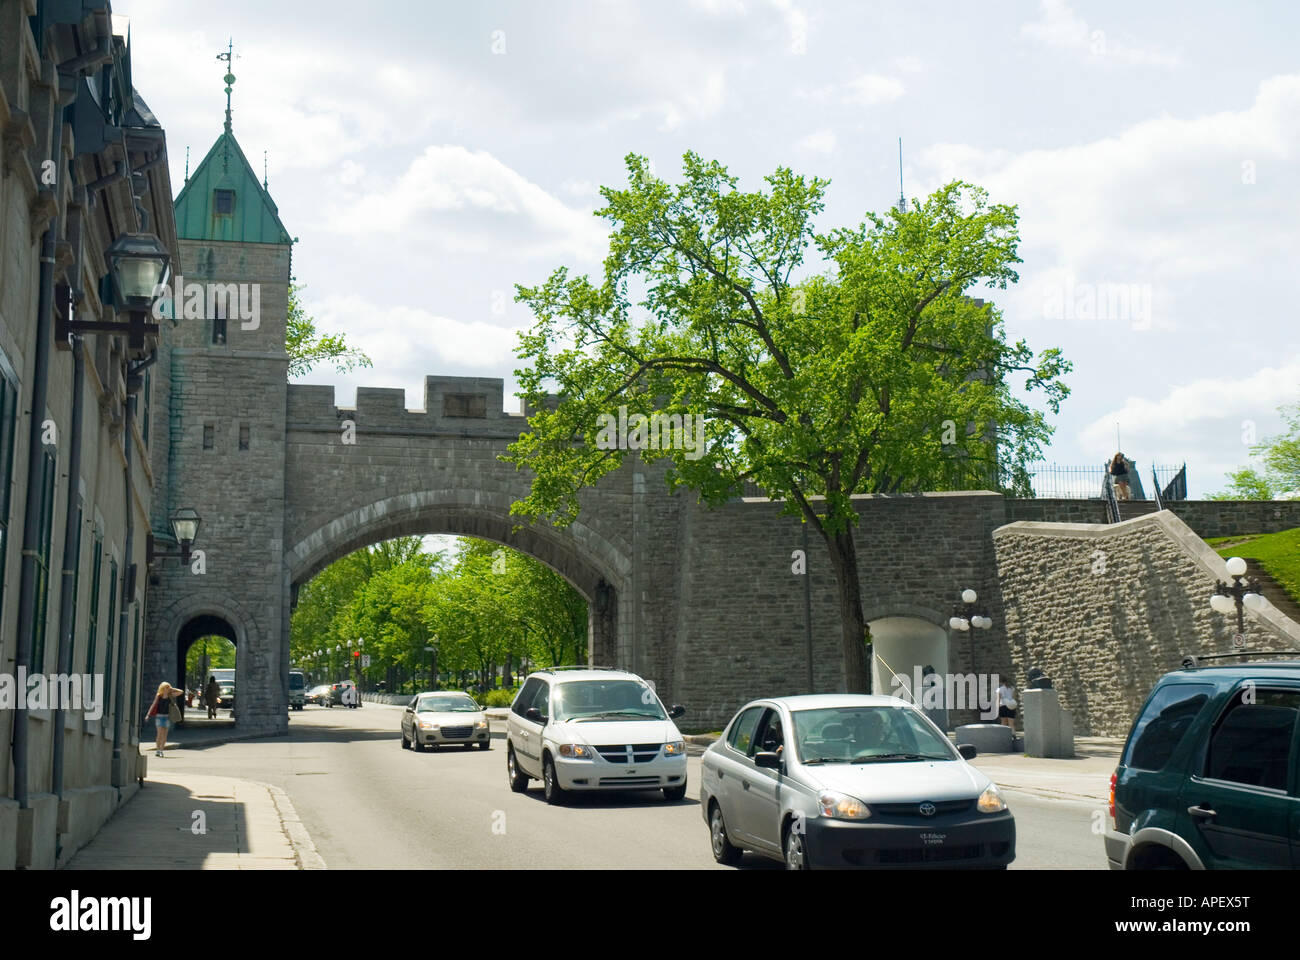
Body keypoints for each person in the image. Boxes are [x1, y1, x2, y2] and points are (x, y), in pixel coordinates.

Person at [146, 681, 185, 758]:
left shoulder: (171, 695)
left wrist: (172, 688)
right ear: (162, 688)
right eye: (166, 687)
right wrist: (148, 715)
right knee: (159, 734)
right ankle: (157, 750)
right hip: (159, 717)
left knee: (164, 736)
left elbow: (181, 692)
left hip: (166, 717)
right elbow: (153, 705)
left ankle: (161, 750)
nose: (167, 689)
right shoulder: (159, 696)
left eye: (168, 687)